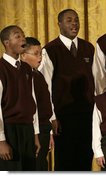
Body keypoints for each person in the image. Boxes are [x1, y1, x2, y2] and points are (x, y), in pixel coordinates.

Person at [39, 9, 95, 171]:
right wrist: (52, 117)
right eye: (69, 20)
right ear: (59, 24)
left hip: (86, 114)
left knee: (85, 158)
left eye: (76, 20)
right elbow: (46, 87)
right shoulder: (50, 50)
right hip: (63, 117)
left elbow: (96, 81)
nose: (74, 24)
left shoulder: (88, 48)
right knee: (65, 160)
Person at [0, 25, 40, 170]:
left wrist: (35, 134)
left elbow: (32, 100)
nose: (23, 38)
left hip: (27, 130)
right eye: (17, 36)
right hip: (10, 130)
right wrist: (1, 140)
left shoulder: (26, 68)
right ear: (7, 43)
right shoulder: (1, 68)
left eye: (23, 35)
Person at [21, 37, 57, 171]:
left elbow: (45, 102)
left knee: (41, 165)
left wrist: (50, 131)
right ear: (23, 55)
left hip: (43, 127)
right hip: (32, 129)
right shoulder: (22, 77)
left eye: (40, 53)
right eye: (35, 54)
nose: (40, 57)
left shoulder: (38, 75)